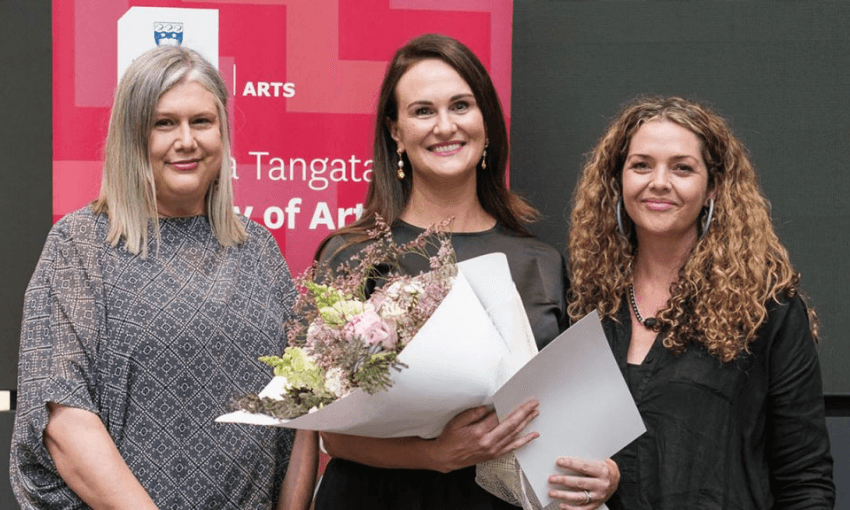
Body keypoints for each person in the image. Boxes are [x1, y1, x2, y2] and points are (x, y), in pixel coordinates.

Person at [309, 33, 619, 510]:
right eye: (422, 111)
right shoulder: (352, 256)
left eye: (460, 105)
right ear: (395, 131)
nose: (444, 126)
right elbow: (328, 433)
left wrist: (601, 472)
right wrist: (434, 455)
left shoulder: (543, 262)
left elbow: (571, 416)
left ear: (487, 123)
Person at [10, 45, 316, 509]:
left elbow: (298, 410)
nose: (187, 140)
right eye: (164, 123)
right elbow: (62, 414)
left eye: (202, 121)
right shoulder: (80, 245)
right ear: (132, 136)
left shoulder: (259, 249)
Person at [567, 95, 835, 509]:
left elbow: (806, 479)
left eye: (682, 168)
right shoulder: (587, 301)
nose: (658, 181)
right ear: (617, 182)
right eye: (641, 165)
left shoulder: (767, 308)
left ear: (712, 189)